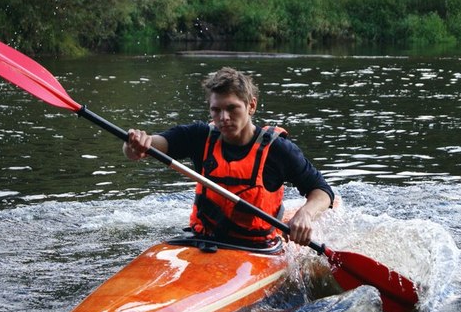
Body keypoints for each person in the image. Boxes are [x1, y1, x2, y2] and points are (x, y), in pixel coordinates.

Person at [123, 67, 334, 248]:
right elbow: (145, 147)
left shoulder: (278, 150)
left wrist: (305, 214)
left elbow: (323, 191)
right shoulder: (199, 136)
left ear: (251, 106)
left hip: (258, 247)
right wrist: (135, 144)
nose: (223, 118)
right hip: (203, 242)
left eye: (232, 108)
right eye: (216, 110)